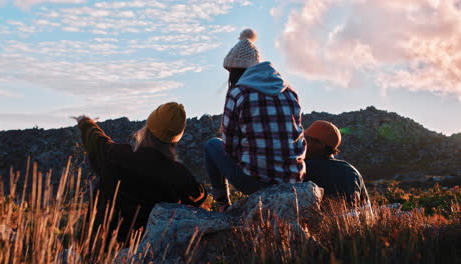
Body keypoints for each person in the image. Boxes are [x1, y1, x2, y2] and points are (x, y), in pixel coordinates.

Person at [204, 29, 307, 211]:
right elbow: (300, 140)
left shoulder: (238, 93)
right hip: (292, 182)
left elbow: (229, 146)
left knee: (212, 145)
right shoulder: (290, 93)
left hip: (254, 181)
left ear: (234, 71)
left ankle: (222, 205)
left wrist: (248, 158)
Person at [74, 102, 206, 243]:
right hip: (144, 252)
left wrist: (85, 121)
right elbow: (199, 195)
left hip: (97, 248)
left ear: (148, 127)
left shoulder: (118, 155)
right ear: (175, 138)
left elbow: (96, 140)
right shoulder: (178, 174)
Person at [304, 120, 370, 207]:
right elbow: (367, 211)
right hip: (351, 220)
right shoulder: (352, 171)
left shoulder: (303, 169)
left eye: (306, 138)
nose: (302, 142)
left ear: (320, 144)